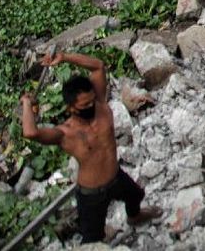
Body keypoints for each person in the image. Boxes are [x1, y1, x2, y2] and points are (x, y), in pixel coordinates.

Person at [21, 51, 161, 242]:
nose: (90, 107)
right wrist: (27, 104)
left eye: (91, 101)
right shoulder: (65, 133)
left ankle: (134, 217)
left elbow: (97, 66)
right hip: (91, 193)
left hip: (116, 176)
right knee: (93, 238)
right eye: (84, 105)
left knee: (136, 195)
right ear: (71, 108)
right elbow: (31, 132)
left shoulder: (100, 105)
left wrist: (64, 57)